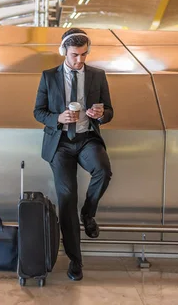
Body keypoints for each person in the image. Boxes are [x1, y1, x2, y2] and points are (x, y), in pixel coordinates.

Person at [33, 27, 113, 281]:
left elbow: (109, 110)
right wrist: (57, 118)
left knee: (103, 170)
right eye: (75, 55)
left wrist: (101, 114)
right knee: (67, 198)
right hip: (60, 144)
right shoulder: (49, 77)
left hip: (87, 138)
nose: (80, 60)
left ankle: (88, 214)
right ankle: (75, 261)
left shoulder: (97, 76)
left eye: (84, 55)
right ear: (63, 52)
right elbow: (38, 112)